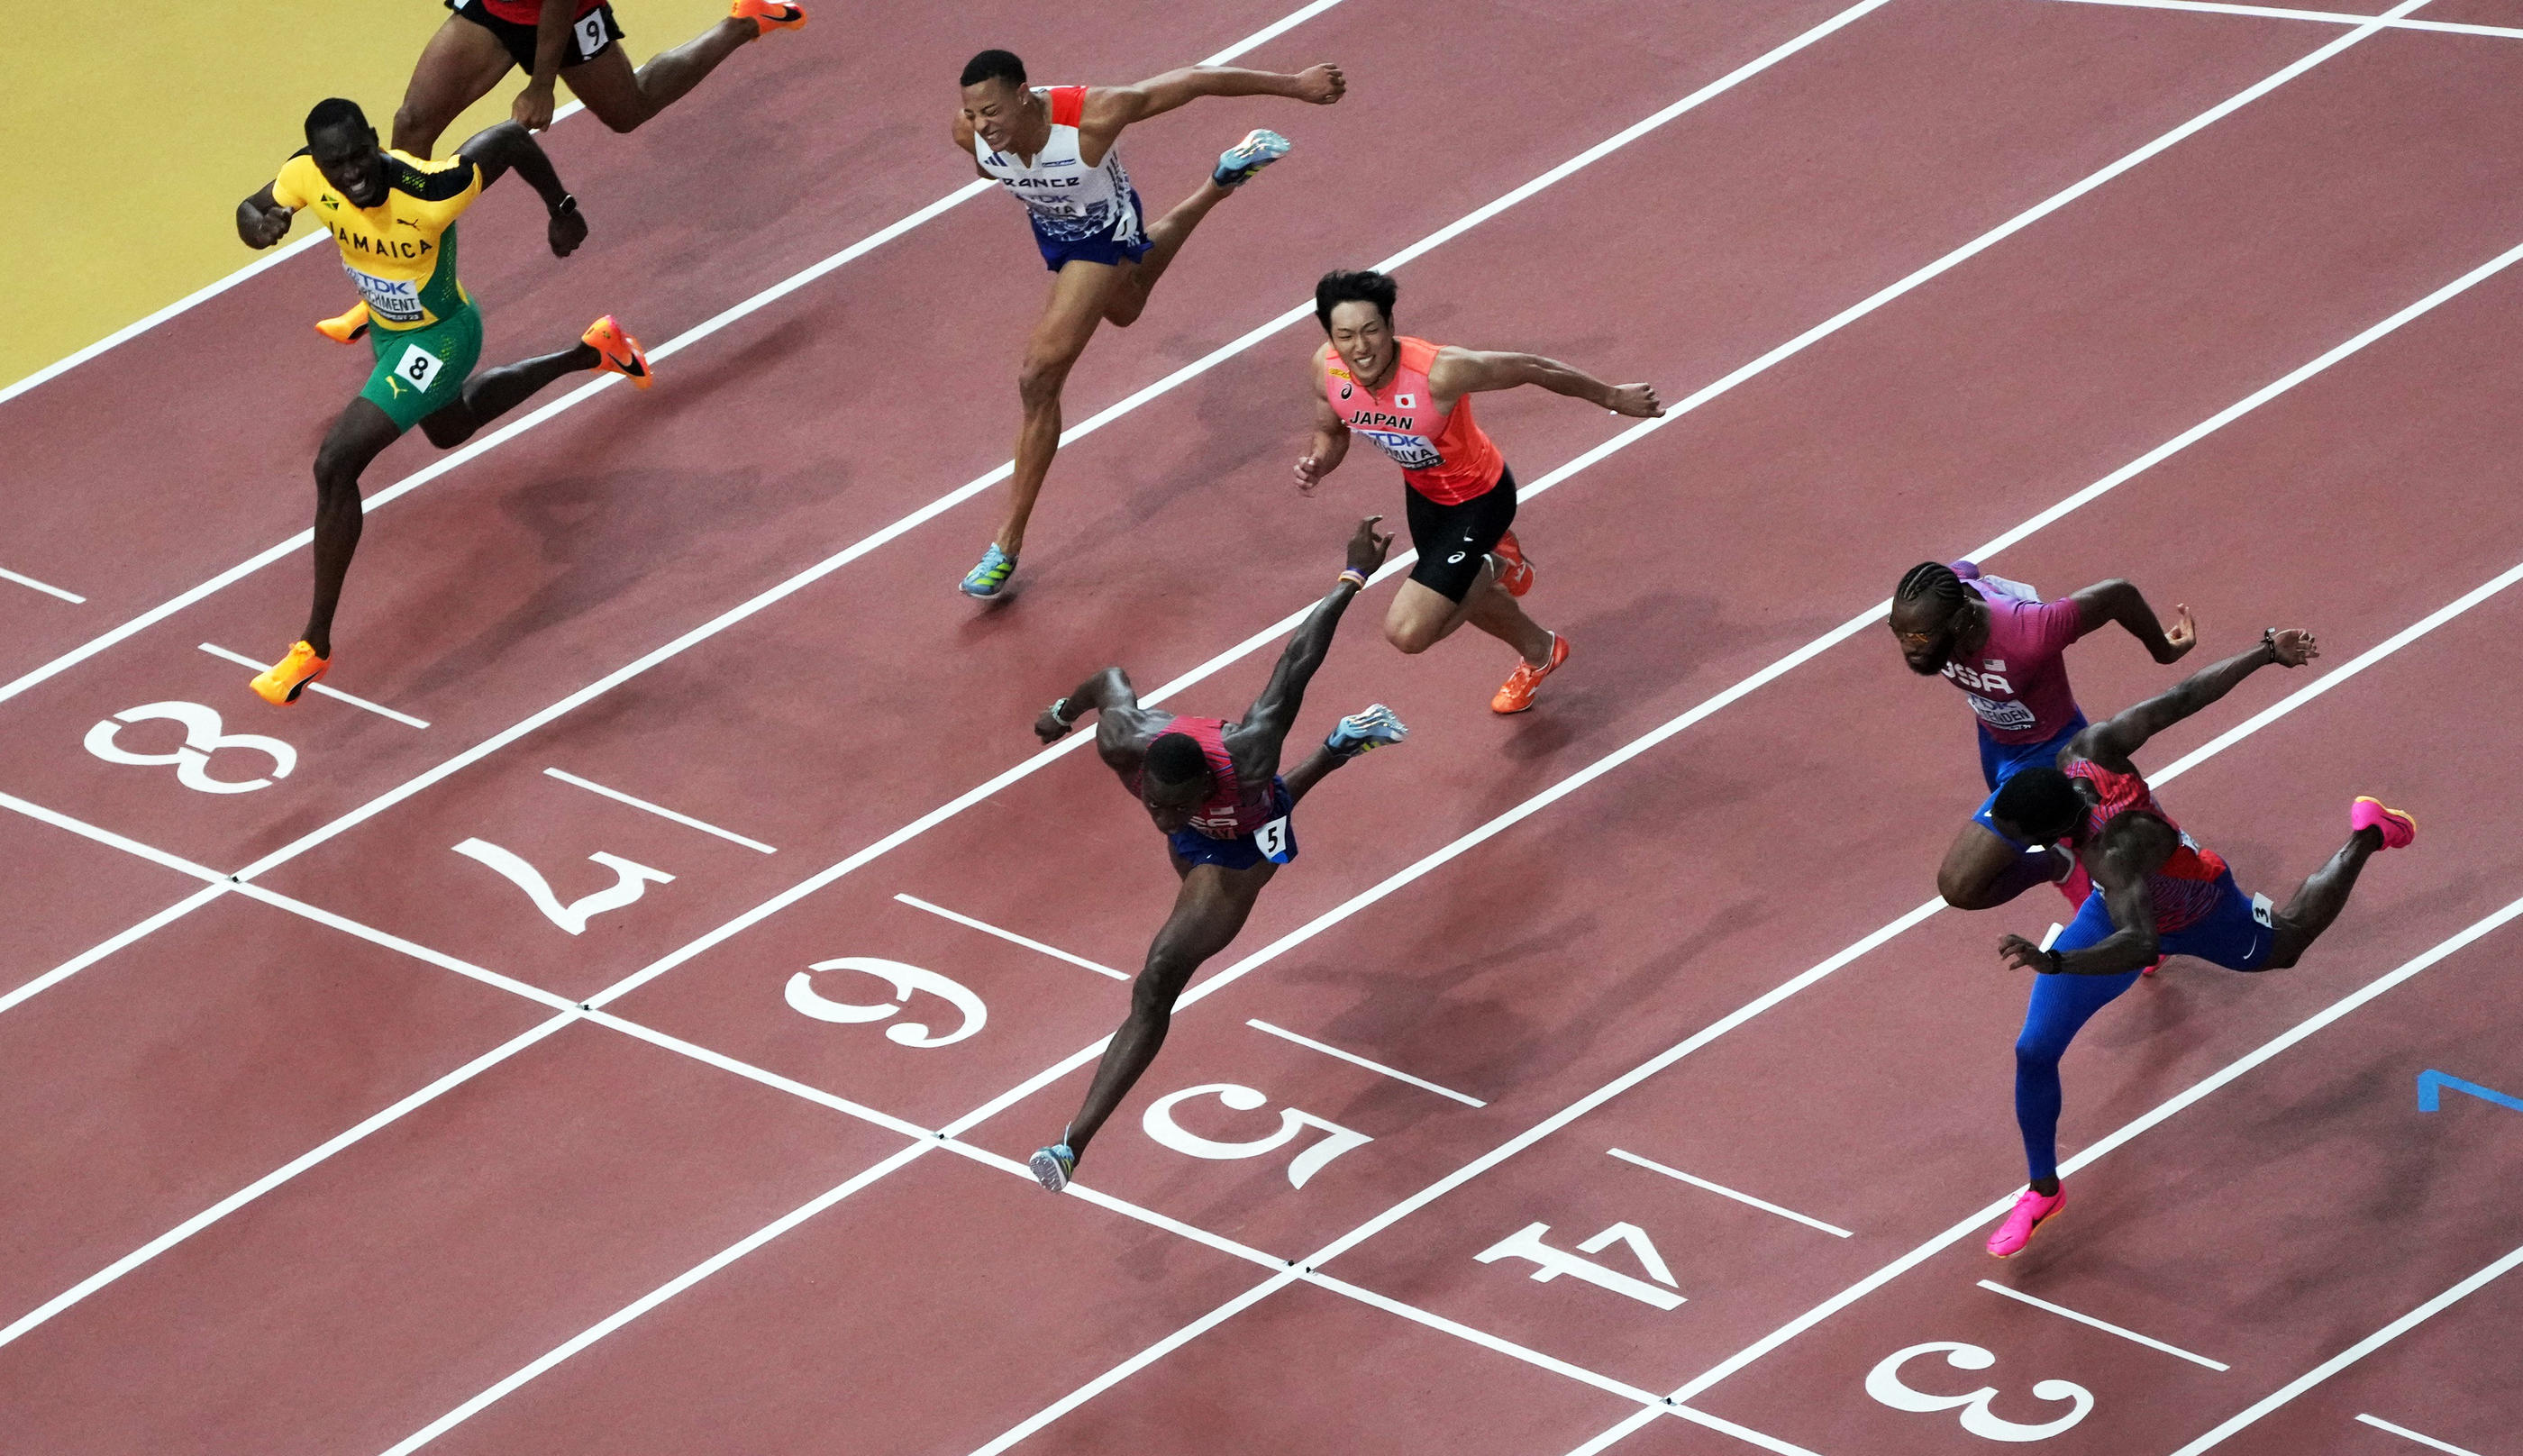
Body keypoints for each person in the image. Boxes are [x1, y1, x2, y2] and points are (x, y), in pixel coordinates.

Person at [1979, 626, 2416, 1255]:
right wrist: (2263, 652)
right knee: (2034, 1050)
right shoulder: (2088, 749)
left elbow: (2138, 941)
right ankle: (2043, 1191)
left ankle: (2368, 834)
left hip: (2201, 910)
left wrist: (2058, 960)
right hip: (2118, 911)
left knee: (2287, 946)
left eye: (2023, 837)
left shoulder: (2114, 850)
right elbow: (2180, 698)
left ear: (2052, 830)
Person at [1025, 518, 1409, 1191]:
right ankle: (1341, 746)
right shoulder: (1125, 740)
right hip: (1202, 841)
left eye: (1178, 803)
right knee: (1185, 859)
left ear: (1208, 777)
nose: (1163, 813)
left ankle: (1069, 1145)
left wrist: (1352, 577)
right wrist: (1061, 711)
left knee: (1157, 980)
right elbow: (1110, 679)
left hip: (1241, 841)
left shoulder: (1250, 750)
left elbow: (1297, 660)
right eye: (1156, 804)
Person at [235, 98, 652, 705]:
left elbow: (511, 139)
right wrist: (254, 226)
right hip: (387, 326)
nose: (351, 174)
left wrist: (562, 209)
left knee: (335, 462)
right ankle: (594, 351)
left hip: (440, 336)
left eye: (359, 156)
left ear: (375, 142)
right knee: (451, 428)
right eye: (336, 165)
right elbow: (253, 208)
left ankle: (313, 647)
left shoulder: (431, 191)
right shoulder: (306, 176)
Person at [951, 48, 1347, 598]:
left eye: (991, 111)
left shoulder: (1095, 116)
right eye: (973, 115)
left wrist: (1295, 84)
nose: (981, 126)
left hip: (1101, 231)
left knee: (1038, 377)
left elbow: (1195, 81)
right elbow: (995, 157)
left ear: (1024, 94)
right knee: (1127, 306)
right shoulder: (969, 135)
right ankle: (1221, 181)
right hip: (1054, 229)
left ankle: (1005, 546)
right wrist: (989, 138)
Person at [314, 0, 807, 344]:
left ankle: (743, 22)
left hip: (561, 15)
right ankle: (392, 287)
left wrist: (542, 84)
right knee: (412, 124)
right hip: (497, 8)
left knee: (629, 109)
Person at [1298, 269, 1662, 714]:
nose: (1361, 347)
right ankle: (1541, 652)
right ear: (1331, 338)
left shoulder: (1440, 371)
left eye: (1372, 331)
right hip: (1424, 496)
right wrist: (1319, 463)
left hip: (1480, 498)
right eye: (1347, 336)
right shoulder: (1328, 368)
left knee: (1408, 633)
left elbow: (1533, 367)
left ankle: (1496, 559)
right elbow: (1330, 434)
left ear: (1391, 326)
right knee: (1461, 595)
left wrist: (1612, 397)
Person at [1889, 560, 2194, 912]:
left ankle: (2071, 866)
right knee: (2061, 838)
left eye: (1919, 636)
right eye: (1897, 629)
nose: (1907, 646)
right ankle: (2062, 863)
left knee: (1960, 886)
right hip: (1996, 747)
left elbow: (2117, 594)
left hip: (2056, 755)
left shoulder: (2026, 631)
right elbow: (1965, 569)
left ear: (1958, 622)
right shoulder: (1945, 593)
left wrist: (2165, 652)